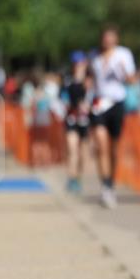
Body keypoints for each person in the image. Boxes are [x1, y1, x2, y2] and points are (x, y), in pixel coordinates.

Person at [90, 25, 136, 209]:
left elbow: (132, 80)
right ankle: (105, 186)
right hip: (99, 103)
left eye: (111, 37)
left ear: (116, 39)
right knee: (101, 145)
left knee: (114, 148)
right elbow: (93, 83)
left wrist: (124, 71)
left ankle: (111, 182)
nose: (107, 40)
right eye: (105, 37)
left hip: (117, 103)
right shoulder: (95, 58)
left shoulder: (123, 54)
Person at [62, 51, 92, 194]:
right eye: (76, 63)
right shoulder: (68, 80)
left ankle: (78, 178)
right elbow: (63, 97)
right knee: (72, 148)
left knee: (82, 153)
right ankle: (71, 178)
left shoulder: (90, 80)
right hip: (71, 119)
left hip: (85, 121)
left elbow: (94, 98)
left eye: (80, 63)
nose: (78, 66)